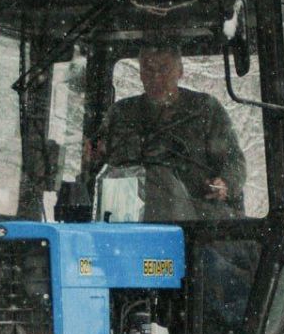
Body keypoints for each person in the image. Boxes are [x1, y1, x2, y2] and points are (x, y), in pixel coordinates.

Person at [89, 43, 246, 219]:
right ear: (140, 74)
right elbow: (96, 160)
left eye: (164, 69)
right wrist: (93, 156)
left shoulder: (205, 110)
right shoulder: (121, 114)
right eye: (148, 70)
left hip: (197, 225)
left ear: (180, 71)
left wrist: (224, 184)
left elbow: (234, 163)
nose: (156, 78)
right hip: (129, 219)